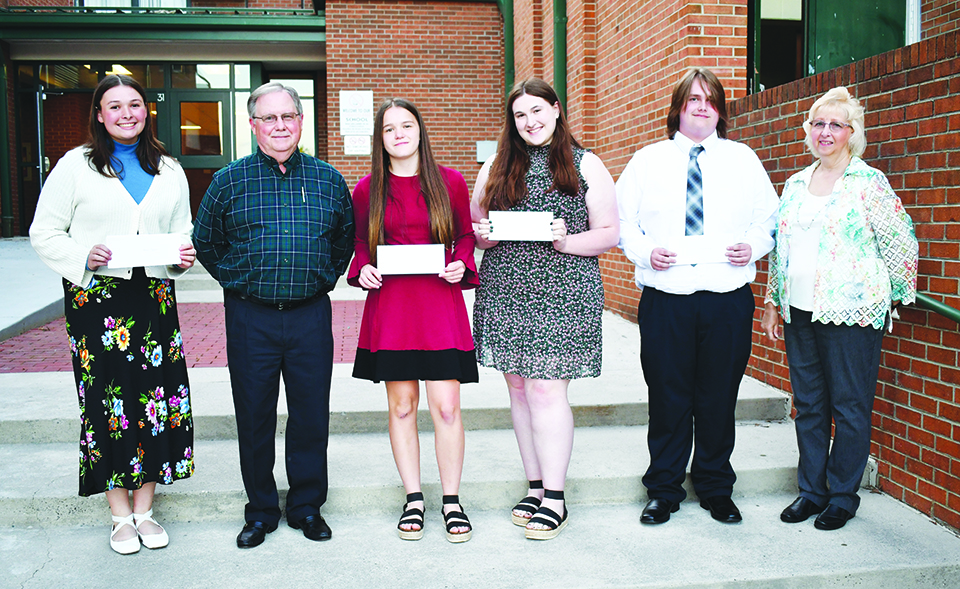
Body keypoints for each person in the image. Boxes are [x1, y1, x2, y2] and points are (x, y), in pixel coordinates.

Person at [30, 74, 196, 555]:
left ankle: (146, 510)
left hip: (154, 302)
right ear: (99, 115)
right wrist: (84, 256)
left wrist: (181, 259)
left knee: (156, 401)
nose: (127, 114)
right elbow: (45, 232)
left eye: (135, 104)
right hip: (96, 303)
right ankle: (119, 514)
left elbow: (180, 230)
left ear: (147, 111)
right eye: (115, 106)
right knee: (108, 405)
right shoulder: (75, 167)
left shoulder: (168, 168)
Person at [193, 81, 354, 548]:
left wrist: (323, 276)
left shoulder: (327, 180)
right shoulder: (229, 181)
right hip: (251, 318)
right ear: (253, 124)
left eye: (288, 116)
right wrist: (237, 279)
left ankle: (306, 506)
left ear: (301, 122)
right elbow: (207, 241)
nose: (280, 125)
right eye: (269, 118)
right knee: (255, 415)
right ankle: (261, 510)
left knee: (309, 415)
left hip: (309, 316)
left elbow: (343, 239)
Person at [616, 67, 778, 526]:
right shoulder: (648, 160)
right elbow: (624, 222)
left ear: (720, 110)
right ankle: (664, 490)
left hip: (727, 298)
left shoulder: (743, 159)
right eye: (693, 100)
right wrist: (647, 252)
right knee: (668, 396)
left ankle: (714, 488)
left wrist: (754, 245)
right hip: (668, 298)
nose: (702, 107)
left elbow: (769, 218)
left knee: (718, 396)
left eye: (710, 100)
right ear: (678, 108)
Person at [761, 87, 918, 531]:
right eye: (818, 123)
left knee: (849, 406)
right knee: (809, 405)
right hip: (799, 310)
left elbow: (901, 241)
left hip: (853, 312)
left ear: (852, 133)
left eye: (835, 124)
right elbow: (781, 250)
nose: (825, 131)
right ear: (808, 130)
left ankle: (842, 496)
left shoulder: (868, 182)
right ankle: (811, 491)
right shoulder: (795, 183)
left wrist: (893, 298)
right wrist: (773, 301)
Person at [472, 78, 619, 540]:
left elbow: (609, 233)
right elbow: (477, 226)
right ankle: (534, 487)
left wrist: (565, 239)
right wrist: (485, 235)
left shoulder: (586, 163)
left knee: (545, 391)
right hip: (506, 286)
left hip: (563, 289)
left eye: (537, 111)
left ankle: (555, 497)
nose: (530, 122)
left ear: (556, 110)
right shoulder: (496, 165)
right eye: (520, 115)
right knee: (518, 389)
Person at [348, 98, 477, 543]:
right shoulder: (367, 189)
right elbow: (362, 244)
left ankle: (453, 500)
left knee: (446, 407)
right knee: (402, 407)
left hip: (440, 305)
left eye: (407, 125)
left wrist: (462, 263)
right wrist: (361, 268)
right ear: (379, 139)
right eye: (389, 129)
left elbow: (463, 236)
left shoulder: (451, 183)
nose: (399, 134)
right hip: (394, 308)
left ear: (420, 130)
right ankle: (414, 498)